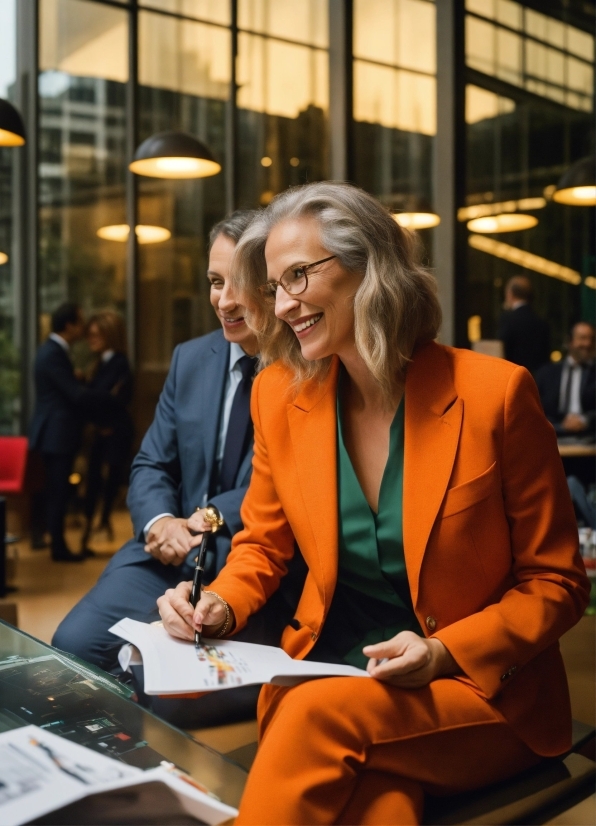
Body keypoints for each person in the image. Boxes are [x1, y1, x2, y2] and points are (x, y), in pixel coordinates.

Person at [158, 182, 589, 825]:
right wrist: (220, 603)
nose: (282, 305)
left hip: (477, 691)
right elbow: (264, 544)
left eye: (298, 276)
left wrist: (443, 651)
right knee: (379, 801)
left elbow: (556, 583)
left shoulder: (495, 395)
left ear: (371, 268)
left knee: (317, 719)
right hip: (338, 679)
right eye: (275, 287)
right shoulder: (278, 395)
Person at [53, 211, 294, 726]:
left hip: (242, 565)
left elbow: (279, 489)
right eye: (214, 281)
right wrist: (161, 521)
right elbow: (149, 463)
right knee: (70, 647)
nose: (225, 300)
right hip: (163, 555)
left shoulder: (302, 365)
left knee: (161, 692)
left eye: (240, 283)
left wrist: (200, 519)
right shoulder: (190, 359)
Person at [29, 303, 115, 562]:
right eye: (79, 322)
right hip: (56, 434)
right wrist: (110, 396)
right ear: (69, 325)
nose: (83, 328)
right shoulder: (54, 353)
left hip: (53, 432)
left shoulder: (52, 351)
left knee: (54, 490)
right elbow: (74, 395)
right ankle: (58, 547)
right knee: (57, 491)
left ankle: (50, 539)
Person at [81, 311, 134, 551]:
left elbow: (115, 399)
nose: (91, 340)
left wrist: (90, 394)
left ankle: (101, 523)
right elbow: (104, 397)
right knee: (93, 481)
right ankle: (92, 526)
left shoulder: (119, 363)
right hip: (101, 433)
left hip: (116, 434)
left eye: (96, 335)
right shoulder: (99, 364)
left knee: (110, 481)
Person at [535, 321, 595, 440]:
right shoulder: (547, 374)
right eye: (582, 338)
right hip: (553, 438)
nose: (588, 344)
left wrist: (585, 420)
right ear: (569, 342)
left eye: (592, 339)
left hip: (590, 440)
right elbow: (536, 408)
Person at [497, 275, 550, 373]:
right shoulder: (541, 322)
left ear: (510, 294)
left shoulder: (507, 319)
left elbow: (502, 351)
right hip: (535, 379)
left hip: (513, 376)